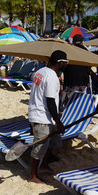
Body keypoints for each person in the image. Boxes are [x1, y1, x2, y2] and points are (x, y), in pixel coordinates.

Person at [27, 50, 69, 184]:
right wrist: (58, 121)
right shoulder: (51, 77)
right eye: (65, 62)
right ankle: (33, 175)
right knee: (39, 147)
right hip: (42, 116)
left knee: (52, 142)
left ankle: (44, 165)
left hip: (43, 115)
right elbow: (50, 101)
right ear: (60, 63)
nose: (66, 65)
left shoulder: (40, 71)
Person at [62, 34, 91, 103]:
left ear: (73, 41)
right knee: (81, 98)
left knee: (71, 98)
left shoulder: (68, 50)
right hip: (83, 78)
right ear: (82, 41)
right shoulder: (85, 50)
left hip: (70, 78)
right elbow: (89, 65)